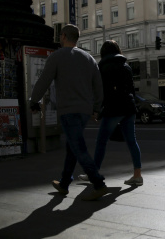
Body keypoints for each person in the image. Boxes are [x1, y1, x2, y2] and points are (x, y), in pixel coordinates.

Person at [30, 24, 109, 201]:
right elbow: (98, 86)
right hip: (84, 110)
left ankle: (98, 183)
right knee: (72, 146)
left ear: (64, 36)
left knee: (79, 148)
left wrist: (34, 100)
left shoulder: (57, 57)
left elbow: (44, 81)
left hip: (68, 110)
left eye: (60, 36)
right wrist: (96, 108)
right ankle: (64, 183)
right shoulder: (88, 58)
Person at [77, 40, 143, 186]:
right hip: (129, 107)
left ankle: (94, 173)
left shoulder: (102, 67)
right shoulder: (126, 66)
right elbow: (132, 89)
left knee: (101, 141)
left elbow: (100, 93)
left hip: (114, 108)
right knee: (132, 141)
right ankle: (137, 175)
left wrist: (96, 110)